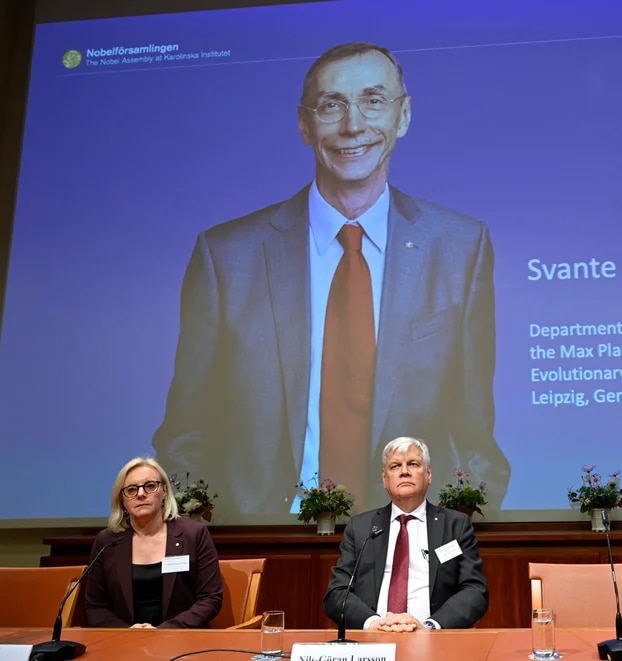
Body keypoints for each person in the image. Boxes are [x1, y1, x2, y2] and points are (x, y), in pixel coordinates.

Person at [152, 41, 509, 515]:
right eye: (331, 105)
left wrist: (452, 534)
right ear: (304, 124)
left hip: (408, 539)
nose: (353, 124)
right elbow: (187, 432)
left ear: (403, 116)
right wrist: (213, 536)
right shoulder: (225, 256)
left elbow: (473, 434)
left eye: (373, 100)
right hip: (266, 538)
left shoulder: (461, 247)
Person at [323, 437, 488, 631]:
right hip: (374, 637)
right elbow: (337, 593)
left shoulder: (456, 526)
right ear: (385, 479)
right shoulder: (361, 528)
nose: (404, 472)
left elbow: (475, 591)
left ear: (428, 474)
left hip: (432, 638)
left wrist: (430, 627)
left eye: (413, 464)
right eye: (395, 466)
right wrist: (373, 623)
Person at [83, 457, 223, 628]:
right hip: (124, 640)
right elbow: (95, 607)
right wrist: (126, 632)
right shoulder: (106, 541)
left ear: (164, 491)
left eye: (150, 486)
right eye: (131, 489)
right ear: (122, 500)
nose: (141, 494)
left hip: (180, 637)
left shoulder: (193, 535)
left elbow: (210, 598)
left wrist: (164, 631)